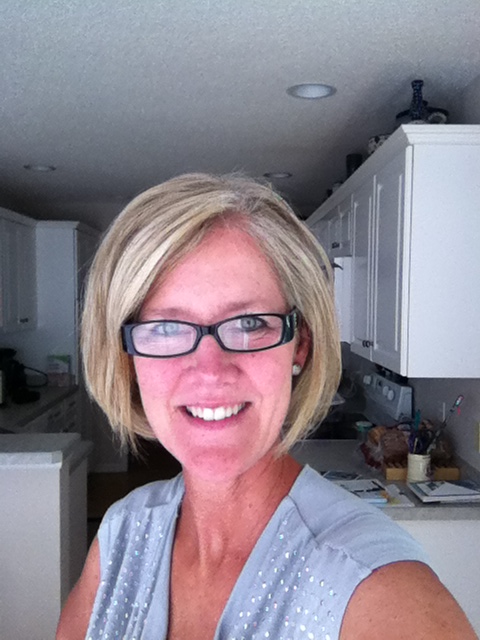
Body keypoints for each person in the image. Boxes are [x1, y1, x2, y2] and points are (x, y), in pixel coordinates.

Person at [56, 173, 477, 640]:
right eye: (167, 327)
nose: (210, 371)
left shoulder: (379, 591)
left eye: (250, 323)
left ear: (300, 345)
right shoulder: (121, 537)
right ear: (128, 357)